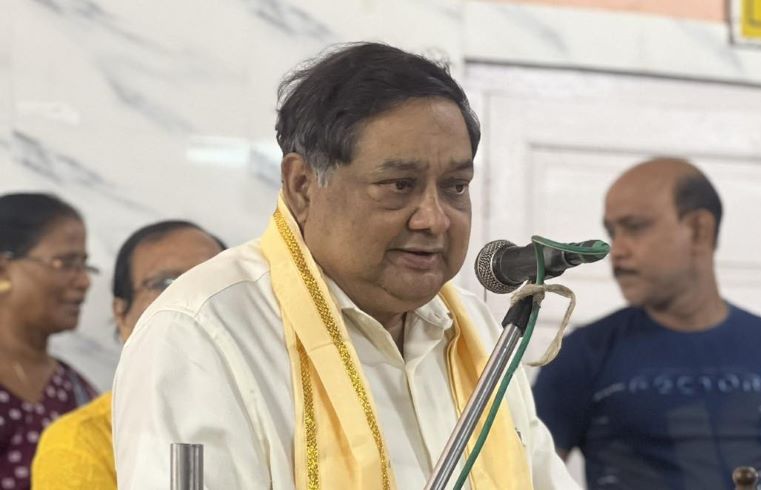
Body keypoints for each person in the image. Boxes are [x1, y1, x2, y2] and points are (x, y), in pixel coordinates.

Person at [112, 42, 577, 489]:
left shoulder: (472, 328)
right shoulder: (203, 331)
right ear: (302, 185)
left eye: (455, 186)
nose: (434, 219)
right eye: (399, 185)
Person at [533, 157, 761, 489]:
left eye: (635, 227)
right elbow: (524, 477)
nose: (617, 250)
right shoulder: (582, 352)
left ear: (699, 230)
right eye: (613, 232)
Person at [30, 220, 225, 489]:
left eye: (213, 280)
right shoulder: (85, 442)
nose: (195, 297)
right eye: (166, 283)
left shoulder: (273, 410)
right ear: (122, 314)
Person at [0, 193, 98, 490]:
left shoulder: (78, 393)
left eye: (84, 265)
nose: (84, 281)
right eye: (65, 263)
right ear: (3, 270)